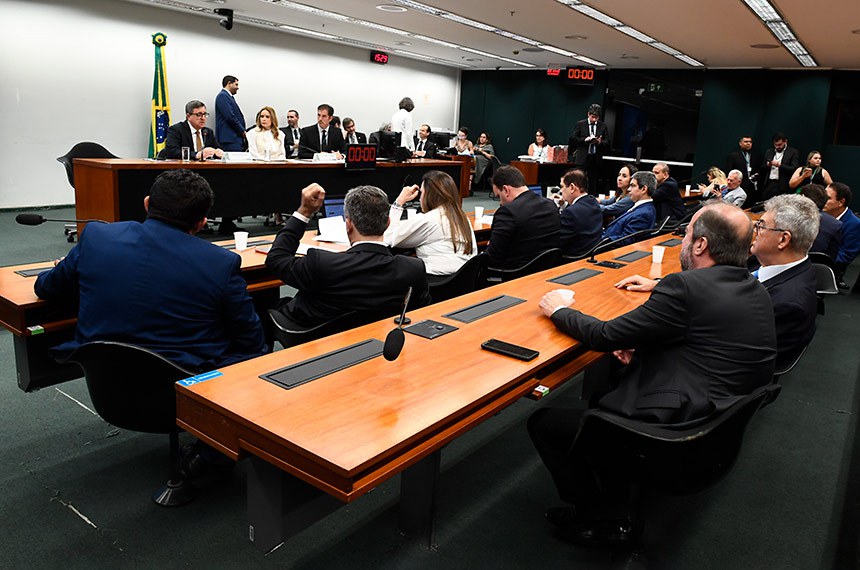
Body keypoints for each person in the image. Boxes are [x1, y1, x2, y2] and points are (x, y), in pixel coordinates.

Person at [529, 202, 776, 546]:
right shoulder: (755, 289)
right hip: (715, 425)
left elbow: (602, 335)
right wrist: (643, 348)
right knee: (610, 384)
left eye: (687, 233)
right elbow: (706, 344)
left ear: (701, 245)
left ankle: (597, 516)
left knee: (544, 423)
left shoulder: (685, 287)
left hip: (674, 434)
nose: (684, 240)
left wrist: (559, 310)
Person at [34, 169, 268, 371]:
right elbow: (252, 342)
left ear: (147, 204)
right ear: (201, 222)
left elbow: (45, 287)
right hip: (188, 391)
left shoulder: (97, 237)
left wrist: (73, 265)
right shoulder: (221, 262)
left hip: (106, 383)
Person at [266, 184, 431, 328]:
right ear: (388, 223)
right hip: (381, 346)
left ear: (348, 224)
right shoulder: (413, 269)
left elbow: (276, 259)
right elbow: (421, 316)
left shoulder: (321, 263)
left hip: (316, 345)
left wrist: (304, 212)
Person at [749, 194, 819, 371]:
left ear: (783, 239)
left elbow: (737, 353)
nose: (754, 231)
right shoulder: (770, 260)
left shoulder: (788, 304)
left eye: (761, 226)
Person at [384, 170, 477, 280]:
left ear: (430, 195)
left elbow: (388, 238)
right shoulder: (462, 217)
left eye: (422, 192)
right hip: (463, 282)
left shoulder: (429, 219)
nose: (419, 198)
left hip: (435, 284)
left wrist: (399, 202)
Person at [486, 165, 560, 270]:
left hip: (512, 277)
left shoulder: (507, 212)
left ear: (506, 190)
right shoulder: (551, 205)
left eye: (498, 196)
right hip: (546, 271)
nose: (500, 203)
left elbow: (493, 259)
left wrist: (490, 246)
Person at [602, 171, 657, 245]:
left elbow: (625, 240)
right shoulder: (644, 208)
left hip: (606, 248)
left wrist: (601, 239)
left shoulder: (643, 214)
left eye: (633, 186)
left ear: (643, 189)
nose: (629, 189)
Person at [558, 169, 602, 258]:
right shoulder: (593, 202)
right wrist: (563, 205)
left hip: (570, 261)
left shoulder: (571, 213)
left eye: (562, 187)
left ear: (572, 187)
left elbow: (557, 241)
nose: (560, 191)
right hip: (590, 255)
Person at [823, 182, 860, 289]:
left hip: (830, 271)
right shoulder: (819, 213)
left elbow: (845, 256)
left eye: (828, 198)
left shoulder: (854, 224)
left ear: (841, 202)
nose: (823, 200)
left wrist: (818, 260)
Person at [570, 104, 610, 193]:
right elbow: (573, 139)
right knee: (578, 180)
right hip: (583, 157)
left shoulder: (603, 126)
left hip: (595, 158)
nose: (594, 119)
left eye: (596, 117)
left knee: (593, 182)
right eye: (593, 117)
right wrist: (585, 139)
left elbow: (607, 142)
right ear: (588, 114)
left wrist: (600, 142)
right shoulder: (580, 124)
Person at [799, 183, 842, 260]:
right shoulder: (835, 225)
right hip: (819, 268)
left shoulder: (787, 218)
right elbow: (831, 257)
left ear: (803, 198)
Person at [761, 132, 799, 199]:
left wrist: (779, 165)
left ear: (785, 142)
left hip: (782, 185)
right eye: (775, 145)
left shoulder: (793, 152)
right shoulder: (769, 151)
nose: (777, 147)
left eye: (779, 144)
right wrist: (768, 165)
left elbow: (794, 169)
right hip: (769, 183)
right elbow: (762, 167)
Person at [214, 75, 247, 152]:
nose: (238, 87)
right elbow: (230, 116)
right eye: (236, 84)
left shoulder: (228, 97)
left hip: (233, 139)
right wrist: (242, 131)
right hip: (229, 139)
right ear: (229, 83)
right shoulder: (223, 96)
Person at [725, 135, 759, 200]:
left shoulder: (756, 155)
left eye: (750, 142)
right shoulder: (733, 156)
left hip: (751, 187)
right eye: (746, 142)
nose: (748, 143)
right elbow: (729, 172)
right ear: (740, 143)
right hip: (738, 186)